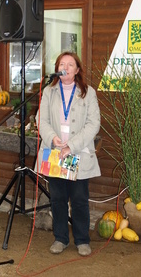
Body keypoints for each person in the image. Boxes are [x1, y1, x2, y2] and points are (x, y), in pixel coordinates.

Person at [35, 52, 101, 256]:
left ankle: (82, 240)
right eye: (61, 64)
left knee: (79, 198)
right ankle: (60, 238)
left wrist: (71, 146)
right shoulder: (49, 91)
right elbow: (41, 119)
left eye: (70, 64)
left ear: (77, 70)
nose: (65, 67)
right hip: (55, 152)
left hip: (76, 153)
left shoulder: (88, 93)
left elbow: (93, 124)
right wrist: (52, 138)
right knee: (58, 198)